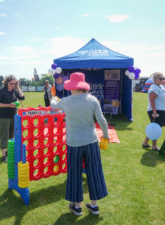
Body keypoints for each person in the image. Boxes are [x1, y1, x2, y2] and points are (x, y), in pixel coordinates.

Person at [51, 72, 109, 216]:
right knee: (94, 171)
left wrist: (53, 98)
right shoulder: (92, 99)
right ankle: (94, 205)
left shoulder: (66, 101)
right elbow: (102, 120)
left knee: (75, 173)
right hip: (91, 141)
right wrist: (106, 136)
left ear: (72, 86)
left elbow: (53, 107)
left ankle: (77, 206)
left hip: (73, 143)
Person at [0, 75, 25, 162]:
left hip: (13, 116)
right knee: (4, 135)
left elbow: (22, 97)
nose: (12, 85)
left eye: (14, 83)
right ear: (7, 83)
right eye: (11, 83)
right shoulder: (2, 91)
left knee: (12, 136)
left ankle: (9, 153)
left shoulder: (15, 91)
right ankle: (4, 155)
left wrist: (18, 87)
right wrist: (9, 105)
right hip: (4, 117)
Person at [142, 72, 165, 151]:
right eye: (160, 78)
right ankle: (154, 146)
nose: (162, 80)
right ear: (154, 79)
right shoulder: (154, 87)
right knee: (156, 128)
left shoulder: (161, 86)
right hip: (157, 111)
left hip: (161, 110)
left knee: (154, 127)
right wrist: (154, 112)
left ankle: (145, 143)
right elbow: (152, 100)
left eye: (163, 78)